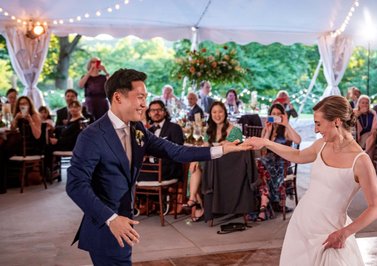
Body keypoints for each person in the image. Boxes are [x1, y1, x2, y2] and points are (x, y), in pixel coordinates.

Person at [66, 68, 248, 265]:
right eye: (140, 97)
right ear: (118, 97)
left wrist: (221, 149)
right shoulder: (92, 136)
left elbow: (176, 151)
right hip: (105, 226)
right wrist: (111, 218)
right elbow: (75, 185)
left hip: (125, 223)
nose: (144, 104)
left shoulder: (137, 129)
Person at [244, 95, 377, 265]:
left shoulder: (361, 161)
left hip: (330, 233)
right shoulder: (321, 145)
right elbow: (297, 155)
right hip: (302, 224)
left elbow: (376, 207)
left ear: (336, 121)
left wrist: (344, 233)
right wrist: (266, 142)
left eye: (318, 123)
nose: (316, 130)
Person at [184, 101, 243, 222]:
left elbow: (236, 151)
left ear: (225, 113)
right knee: (194, 165)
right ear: (210, 114)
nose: (217, 115)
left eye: (220, 112)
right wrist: (195, 158)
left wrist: (225, 144)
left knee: (199, 166)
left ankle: (195, 201)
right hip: (212, 164)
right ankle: (194, 199)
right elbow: (205, 147)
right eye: (214, 112)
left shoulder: (234, 130)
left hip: (227, 166)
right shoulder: (210, 130)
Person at [258, 103, 301, 220]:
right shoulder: (267, 128)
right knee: (259, 164)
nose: (276, 116)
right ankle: (264, 202)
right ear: (270, 115)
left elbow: (298, 139)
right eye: (273, 114)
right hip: (267, 163)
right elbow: (262, 149)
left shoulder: (285, 130)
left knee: (259, 165)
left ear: (283, 115)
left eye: (278, 114)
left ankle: (264, 203)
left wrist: (286, 124)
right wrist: (267, 131)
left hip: (282, 164)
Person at [138, 100, 184, 181]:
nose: (156, 112)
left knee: (133, 176)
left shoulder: (174, 128)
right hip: (151, 167)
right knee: (130, 171)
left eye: (159, 110)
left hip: (168, 169)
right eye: (153, 110)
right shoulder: (148, 131)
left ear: (165, 112)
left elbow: (178, 150)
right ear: (149, 114)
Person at [354, 95, 377, 160]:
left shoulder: (372, 112)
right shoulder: (354, 112)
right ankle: (368, 160)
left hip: (373, 134)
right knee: (372, 142)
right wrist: (360, 113)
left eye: (367, 103)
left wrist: (372, 133)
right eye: (363, 102)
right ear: (359, 103)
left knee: (373, 134)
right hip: (360, 137)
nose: (365, 104)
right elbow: (350, 123)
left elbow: (376, 126)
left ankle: (364, 153)